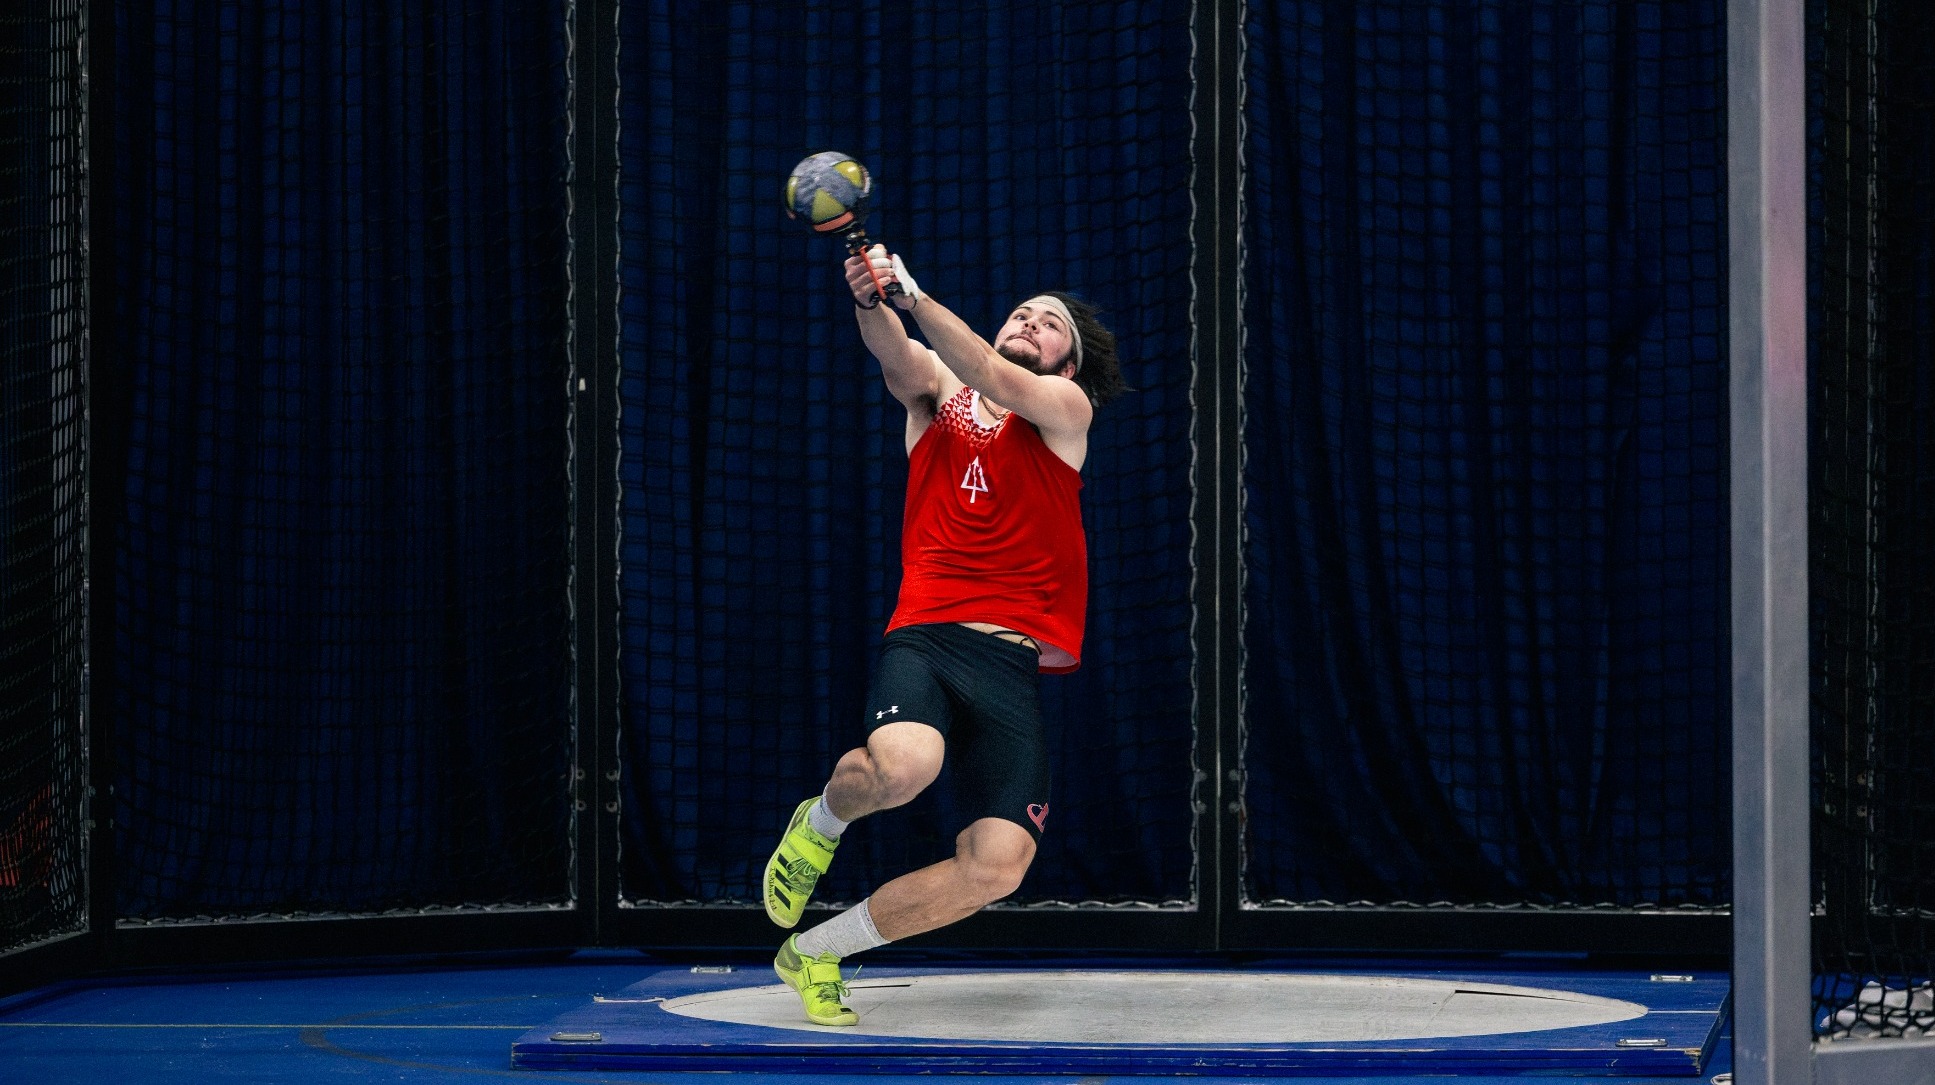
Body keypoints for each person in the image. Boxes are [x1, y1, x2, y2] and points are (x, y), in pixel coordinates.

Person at [761, 245, 1127, 1026]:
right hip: (927, 632)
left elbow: (999, 379)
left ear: (1068, 365)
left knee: (998, 867)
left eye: (1049, 322)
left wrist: (913, 293)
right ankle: (819, 822)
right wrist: (872, 300)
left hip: (1010, 661)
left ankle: (816, 950)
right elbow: (900, 357)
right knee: (902, 769)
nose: (1030, 320)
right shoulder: (940, 387)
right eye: (1022, 311)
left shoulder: (1065, 413)